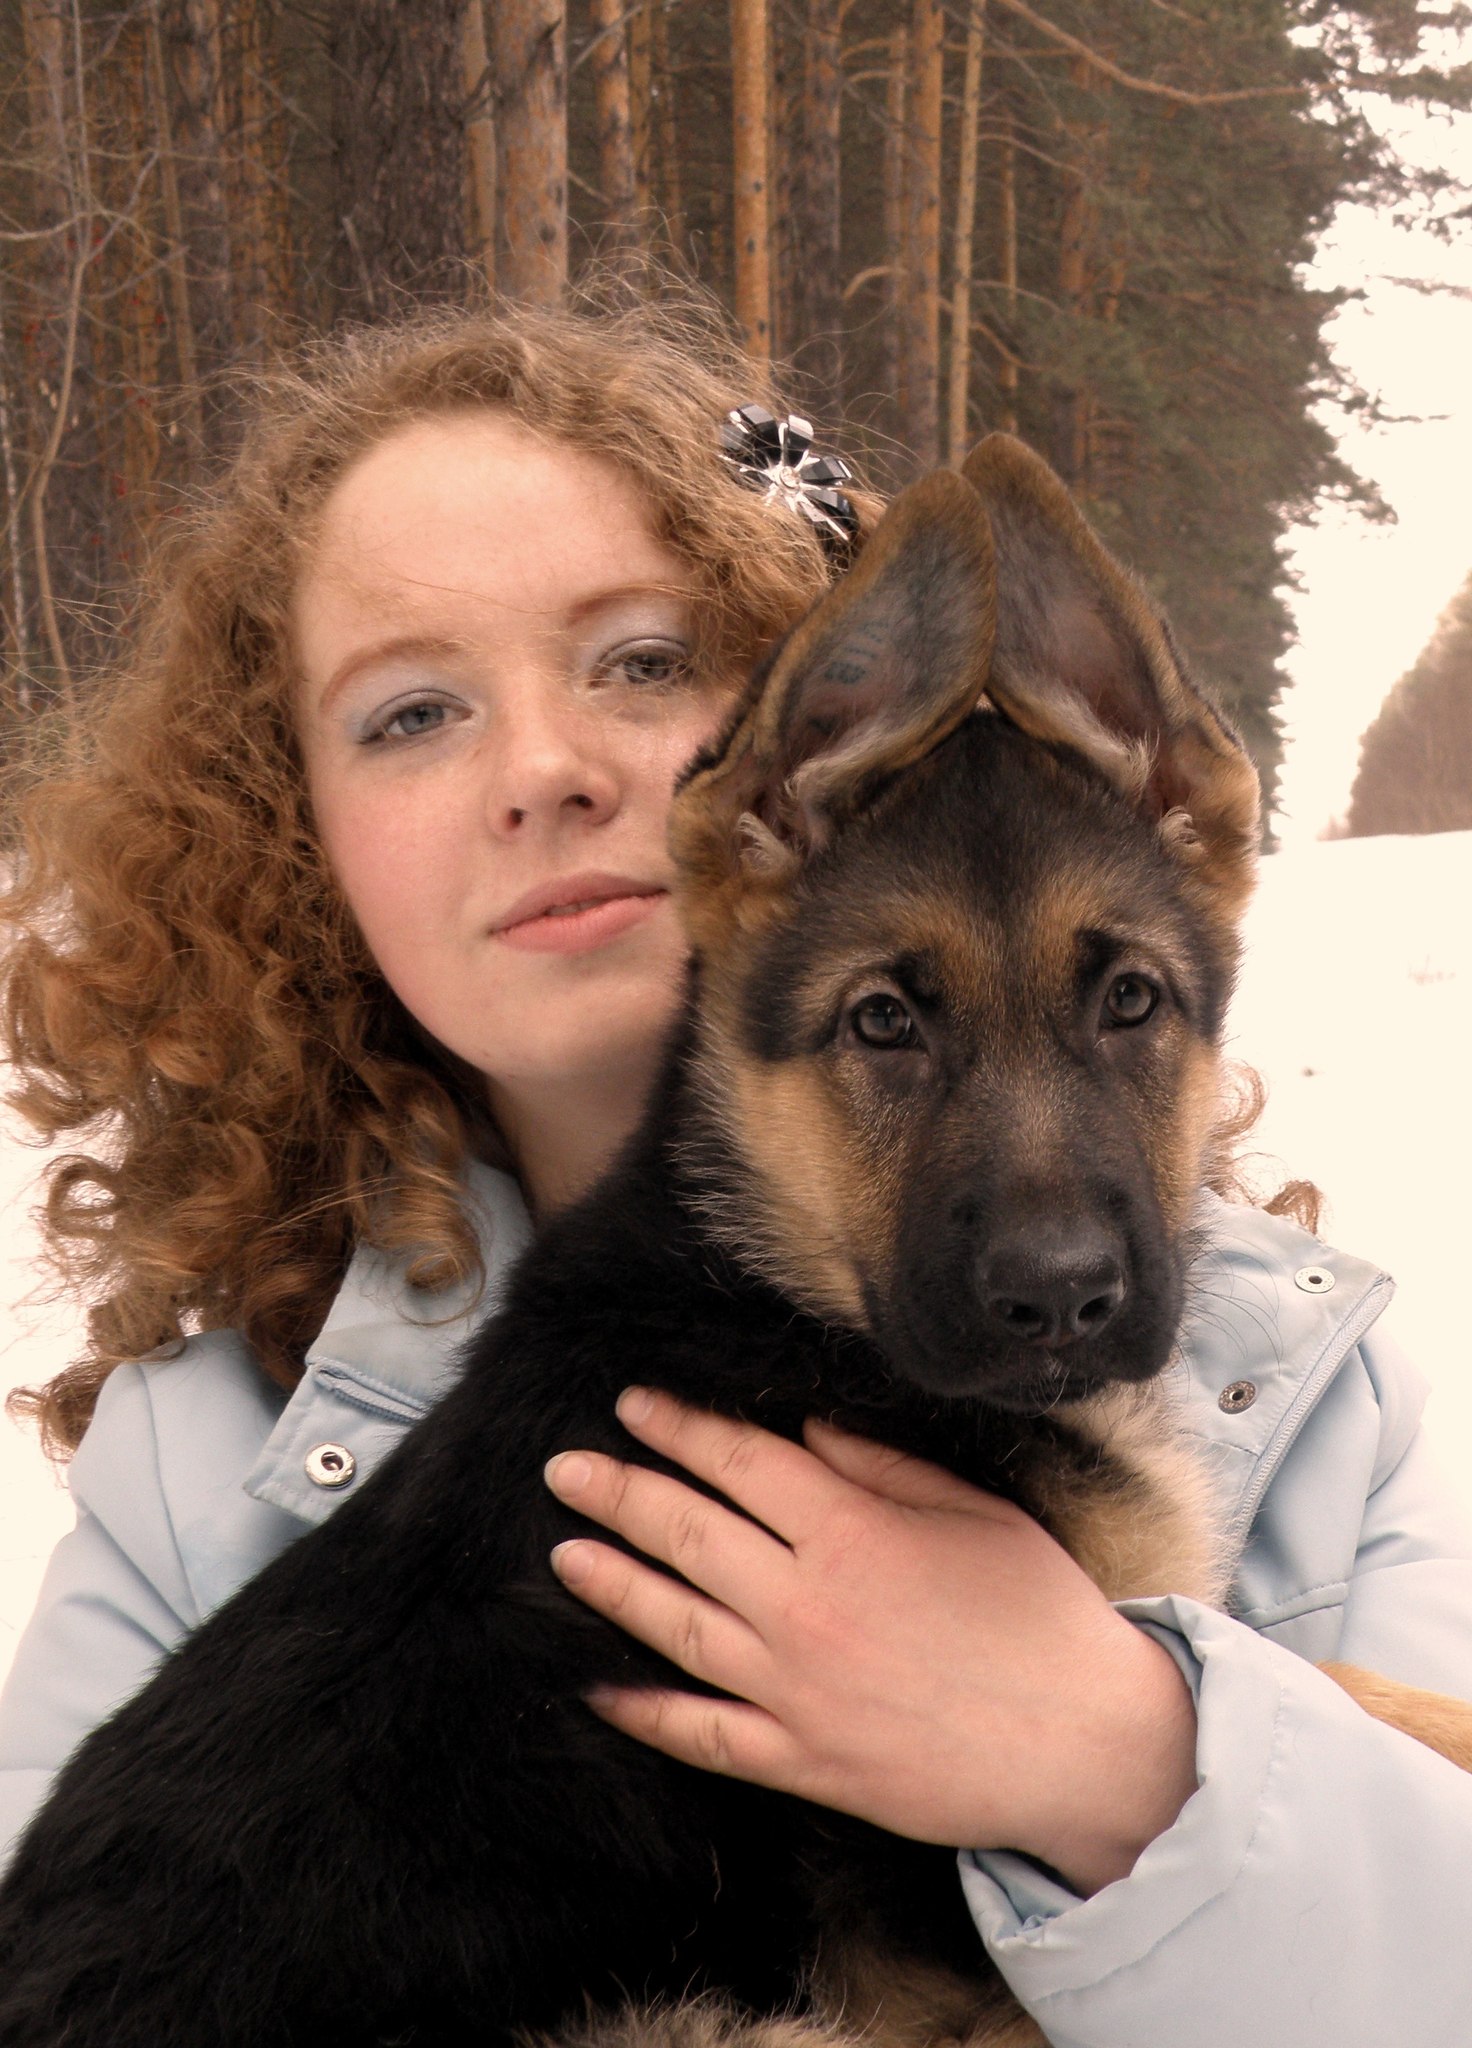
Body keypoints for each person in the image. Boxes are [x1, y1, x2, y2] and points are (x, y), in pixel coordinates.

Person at [1, 293, 1470, 2048]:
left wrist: (1134, 1754)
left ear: (827, 725)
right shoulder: (193, 1479)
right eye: (410, 712)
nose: (545, 770)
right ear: (288, 822)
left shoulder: (1311, 1402)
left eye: (638, 662)